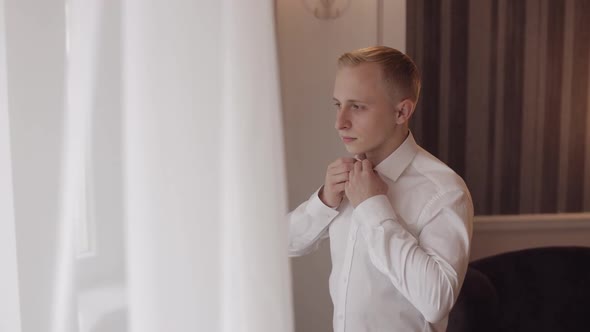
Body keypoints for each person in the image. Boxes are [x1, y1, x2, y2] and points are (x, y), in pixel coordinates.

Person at [287, 46, 474, 332]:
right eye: (338, 105)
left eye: (357, 106)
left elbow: (436, 301)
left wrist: (373, 207)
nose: (340, 123)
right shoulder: (349, 177)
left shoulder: (445, 190)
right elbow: (285, 244)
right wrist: (323, 201)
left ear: (401, 111)